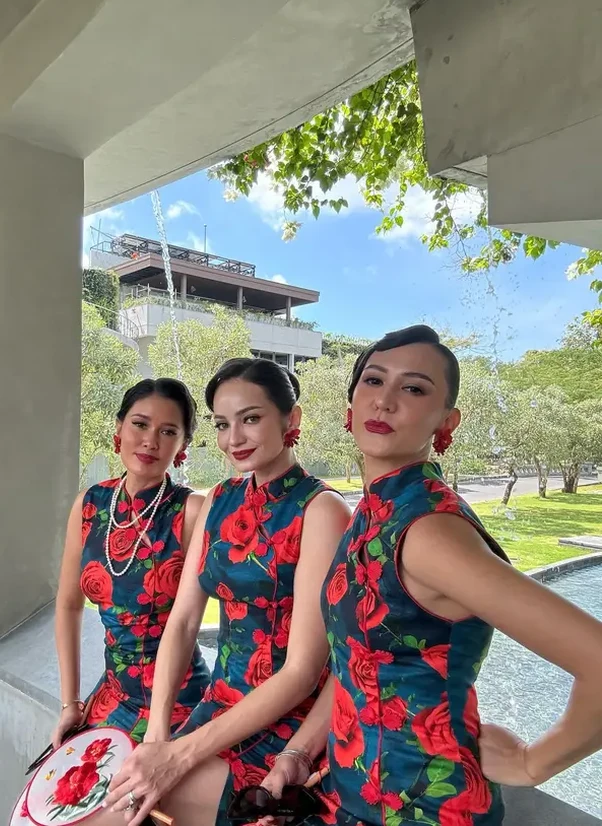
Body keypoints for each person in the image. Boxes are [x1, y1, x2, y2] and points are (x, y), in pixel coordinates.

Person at [254, 325, 602, 826]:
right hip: (349, 796)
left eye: (414, 388)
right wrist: (300, 754)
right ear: (350, 406)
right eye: (373, 381)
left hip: (425, 810)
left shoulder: (428, 531)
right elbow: (362, 661)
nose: (386, 401)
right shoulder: (374, 513)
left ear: (446, 420)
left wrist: (534, 761)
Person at [103, 358, 351, 826]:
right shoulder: (219, 498)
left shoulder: (321, 510)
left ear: (291, 420)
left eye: (251, 419)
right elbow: (182, 622)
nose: (233, 438)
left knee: (132, 810)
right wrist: (158, 736)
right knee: (120, 802)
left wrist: (179, 755)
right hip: (217, 706)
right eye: (222, 423)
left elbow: (302, 671)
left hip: (288, 722)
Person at [53, 378, 210, 748]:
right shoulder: (90, 504)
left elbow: (188, 624)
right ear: (119, 428)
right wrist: (69, 703)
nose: (150, 441)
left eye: (168, 431)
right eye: (140, 424)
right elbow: (68, 603)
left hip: (177, 705)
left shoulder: (191, 513)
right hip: (111, 697)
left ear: (183, 445)